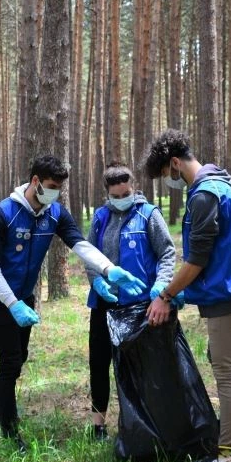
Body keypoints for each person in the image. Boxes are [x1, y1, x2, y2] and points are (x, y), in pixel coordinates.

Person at [0, 155, 146, 453]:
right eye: (51, 186)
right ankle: (9, 427)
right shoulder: (3, 214)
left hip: (24, 294)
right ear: (35, 182)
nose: (55, 192)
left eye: (59, 187)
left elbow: (79, 244)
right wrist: (12, 305)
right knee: (9, 360)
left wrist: (109, 270)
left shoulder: (54, 213)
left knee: (19, 357)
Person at [143, 130, 231, 462]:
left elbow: (196, 260)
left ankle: (227, 455)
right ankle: (229, 436)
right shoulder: (220, 183)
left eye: (168, 174)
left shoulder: (204, 195)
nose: (170, 181)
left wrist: (166, 294)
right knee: (222, 359)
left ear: (176, 163)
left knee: (226, 372)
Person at [84, 163, 176, 440]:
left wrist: (161, 285)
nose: (122, 198)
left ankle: (144, 422)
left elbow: (167, 253)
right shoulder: (101, 218)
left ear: (133, 188)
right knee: (99, 364)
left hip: (140, 307)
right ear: (108, 194)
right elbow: (89, 255)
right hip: (104, 304)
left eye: (126, 192)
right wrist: (96, 281)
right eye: (116, 194)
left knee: (139, 366)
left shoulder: (148, 214)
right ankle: (98, 425)